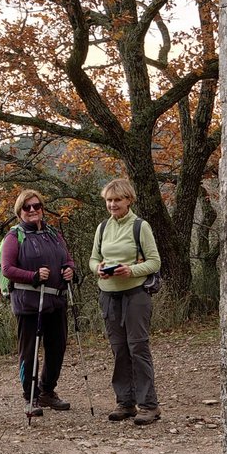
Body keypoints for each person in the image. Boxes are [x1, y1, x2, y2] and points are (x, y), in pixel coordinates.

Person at [89, 178, 161, 425]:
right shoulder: (102, 228)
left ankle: (149, 405)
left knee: (138, 347)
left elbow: (154, 262)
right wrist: (97, 268)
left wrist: (130, 270)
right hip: (108, 295)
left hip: (135, 295)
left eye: (117, 199)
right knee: (119, 349)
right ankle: (125, 403)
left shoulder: (140, 227)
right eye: (109, 200)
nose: (112, 204)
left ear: (129, 199)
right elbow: (93, 259)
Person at [2, 189, 75, 416]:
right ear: (19, 211)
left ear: (42, 208)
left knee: (57, 348)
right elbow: (7, 269)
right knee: (29, 351)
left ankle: (47, 391)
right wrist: (33, 276)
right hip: (29, 304)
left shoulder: (54, 234)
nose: (33, 210)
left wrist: (69, 270)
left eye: (36, 206)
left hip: (56, 301)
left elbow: (68, 258)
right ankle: (30, 397)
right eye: (27, 207)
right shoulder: (14, 237)